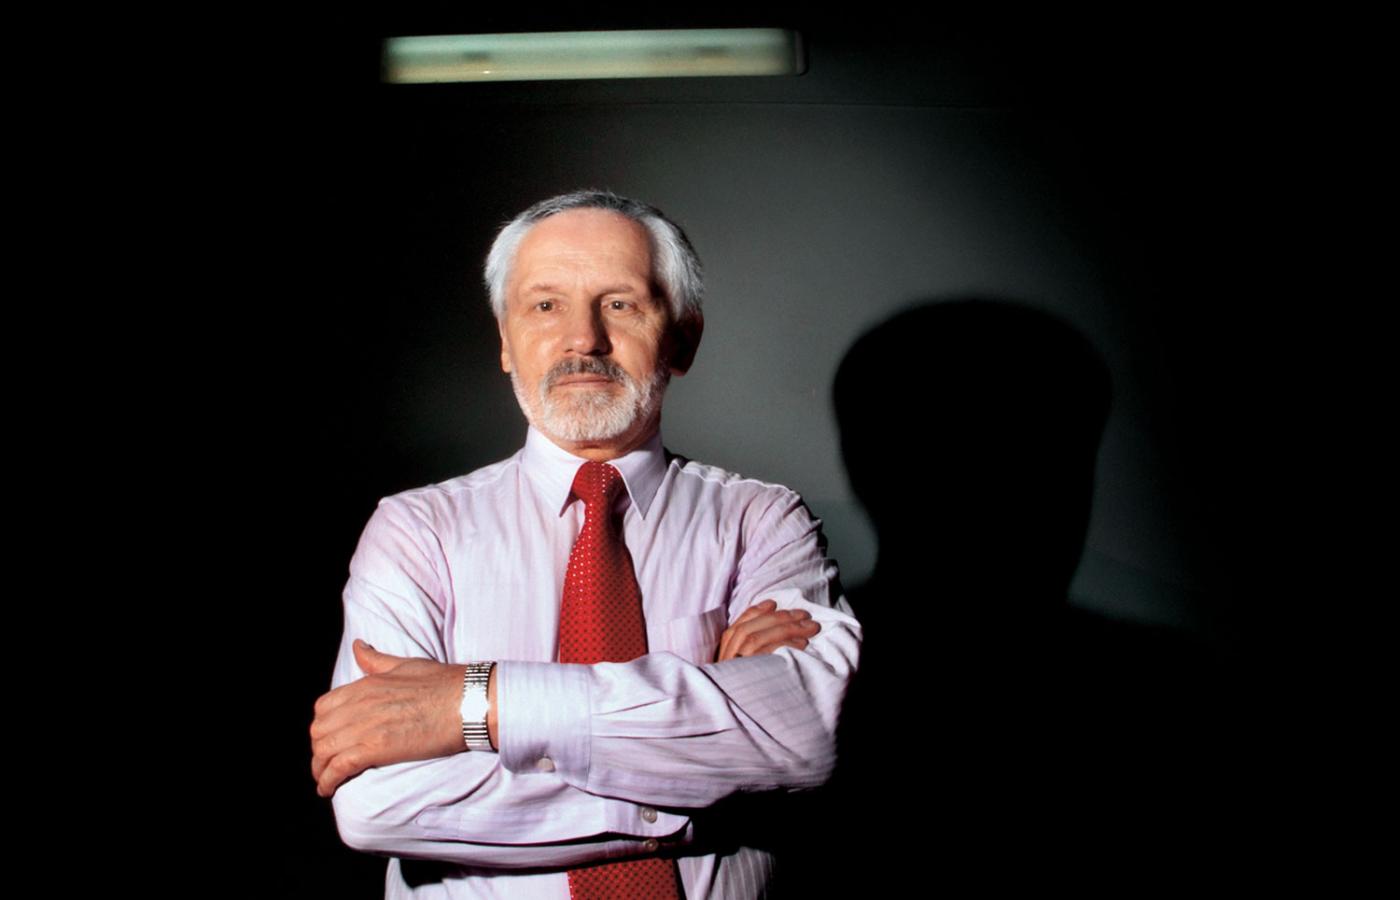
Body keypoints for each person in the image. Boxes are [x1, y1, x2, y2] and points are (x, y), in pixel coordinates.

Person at [310, 190, 861, 898]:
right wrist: (708, 765)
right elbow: (376, 803)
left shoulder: (764, 521)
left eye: (620, 304)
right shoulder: (416, 532)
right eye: (545, 305)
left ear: (683, 339)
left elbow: (807, 733)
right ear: (505, 340)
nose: (583, 340)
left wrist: (482, 704)